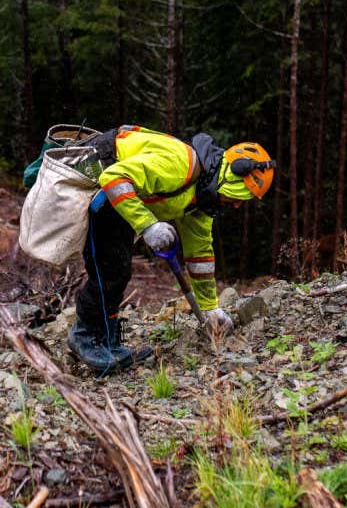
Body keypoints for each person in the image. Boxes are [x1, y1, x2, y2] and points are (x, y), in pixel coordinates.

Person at [68, 125, 275, 373]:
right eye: (239, 198)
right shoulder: (180, 165)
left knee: (119, 270)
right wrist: (148, 226)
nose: (238, 206)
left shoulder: (202, 203)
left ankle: (109, 343)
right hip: (103, 188)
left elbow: (200, 257)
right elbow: (113, 178)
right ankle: (85, 335)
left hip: (122, 203)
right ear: (230, 179)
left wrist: (210, 308)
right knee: (111, 271)